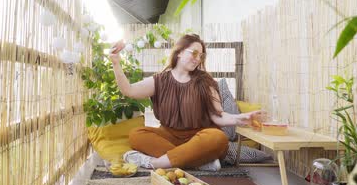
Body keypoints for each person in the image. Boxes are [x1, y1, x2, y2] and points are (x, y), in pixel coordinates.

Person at [109, 33, 263, 171]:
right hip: (169, 135)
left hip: (200, 138)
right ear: (180, 52)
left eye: (201, 55)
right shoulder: (160, 80)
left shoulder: (205, 81)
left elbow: (218, 116)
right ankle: (196, 161)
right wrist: (116, 63)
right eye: (194, 53)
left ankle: (155, 163)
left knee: (218, 138)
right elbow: (128, 90)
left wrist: (239, 119)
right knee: (136, 135)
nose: (197, 59)